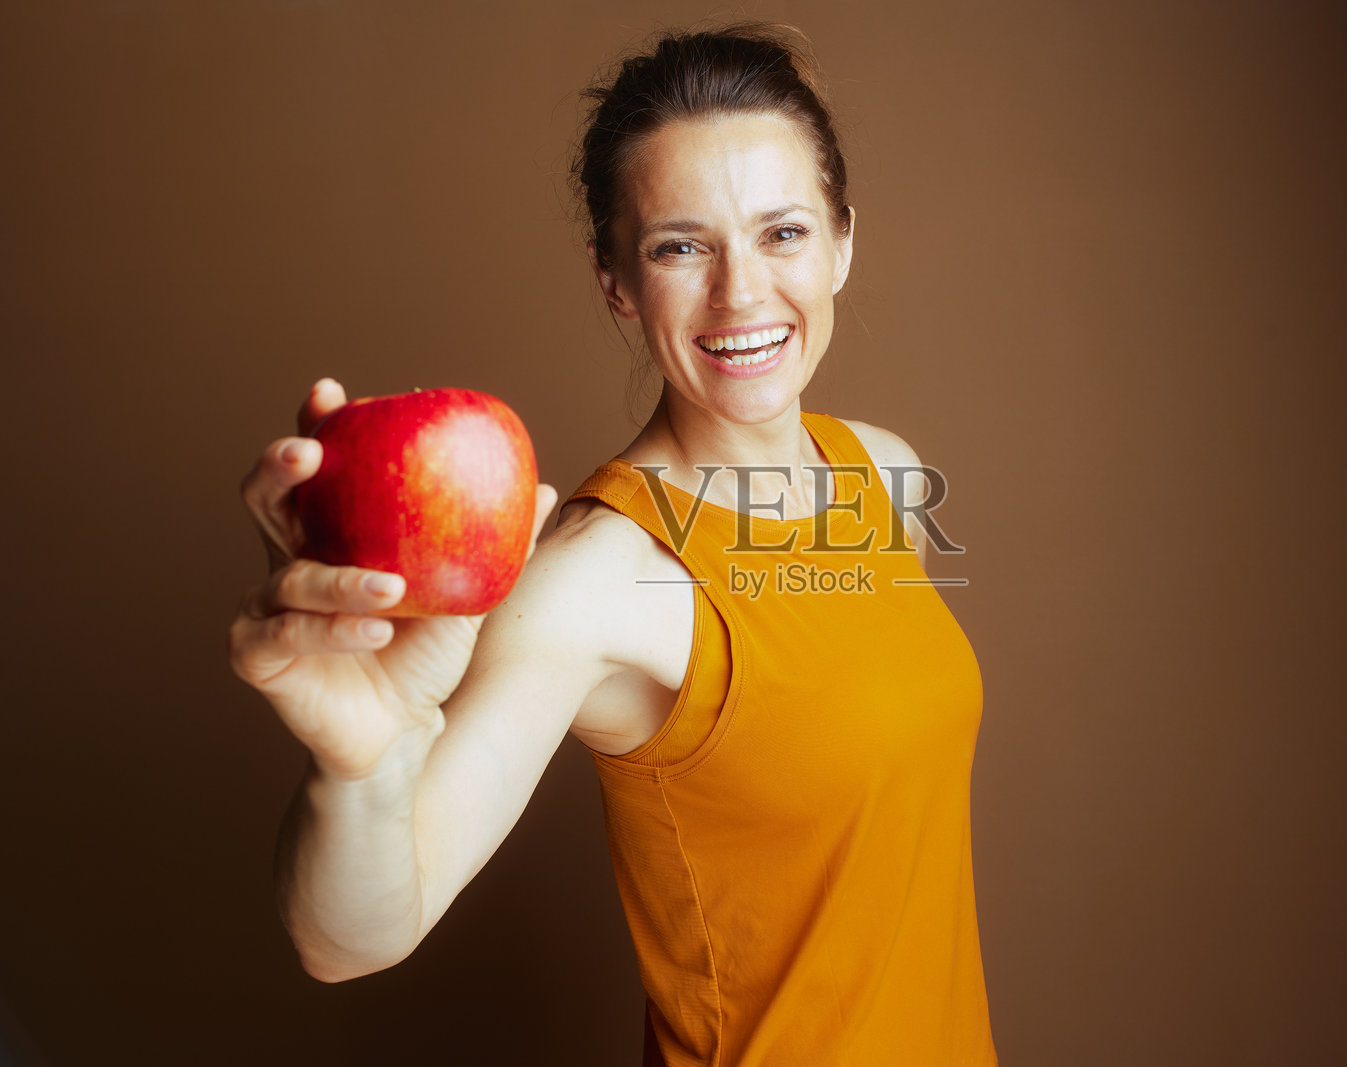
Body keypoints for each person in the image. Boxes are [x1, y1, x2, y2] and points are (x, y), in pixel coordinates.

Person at [230, 23, 996, 1066]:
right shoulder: (596, 579)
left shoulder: (885, 472)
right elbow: (352, 936)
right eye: (680, 246)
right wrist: (358, 769)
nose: (740, 293)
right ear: (616, 281)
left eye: (783, 233)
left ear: (843, 241)